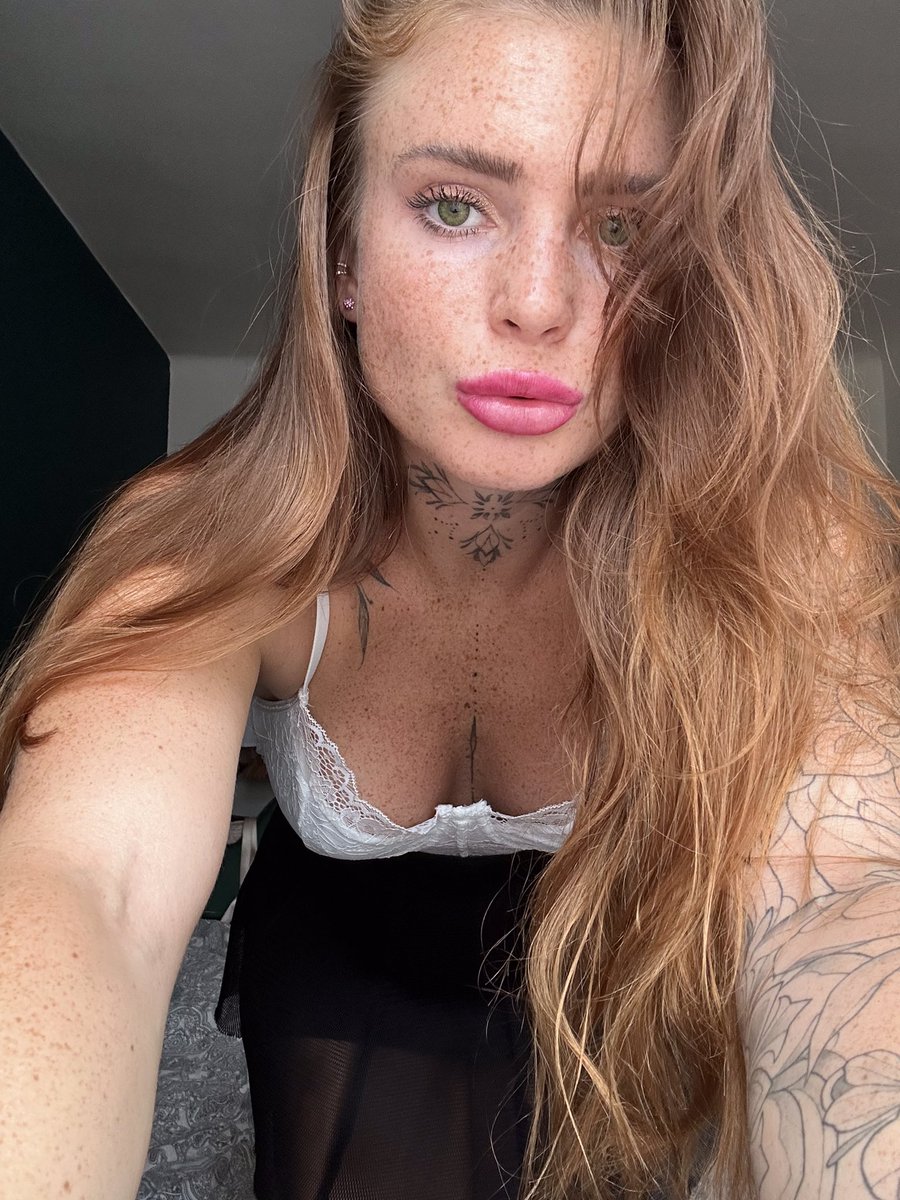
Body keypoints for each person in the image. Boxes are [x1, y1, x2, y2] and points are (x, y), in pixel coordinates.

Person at [1, 0, 899, 1197]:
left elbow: (843, 893)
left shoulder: (772, 545)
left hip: (591, 989)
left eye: (621, 227)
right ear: (343, 258)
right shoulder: (203, 540)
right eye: (454, 206)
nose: (539, 302)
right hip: (335, 975)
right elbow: (85, 885)